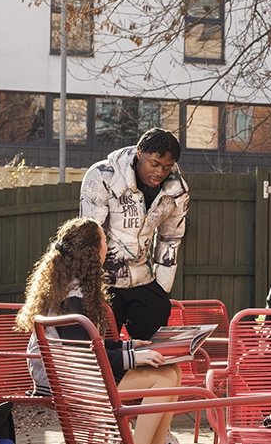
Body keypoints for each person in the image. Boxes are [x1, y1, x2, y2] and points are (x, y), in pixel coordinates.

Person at [17, 217, 183, 444]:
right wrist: (133, 358)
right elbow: (81, 356)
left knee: (173, 370)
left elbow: (88, 346)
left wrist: (130, 346)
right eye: (104, 240)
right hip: (69, 384)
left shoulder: (74, 290)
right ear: (92, 252)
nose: (108, 245)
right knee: (164, 379)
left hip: (80, 375)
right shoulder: (71, 298)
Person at [80, 127, 189, 342]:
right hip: (104, 279)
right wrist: (91, 285)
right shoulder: (102, 176)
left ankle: (146, 377)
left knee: (153, 345)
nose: (159, 172)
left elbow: (171, 239)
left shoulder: (177, 190)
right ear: (140, 152)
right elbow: (91, 235)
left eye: (167, 167)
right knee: (103, 348)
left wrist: (162, 288)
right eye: (154, 164)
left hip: (143, 278)